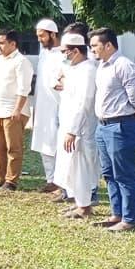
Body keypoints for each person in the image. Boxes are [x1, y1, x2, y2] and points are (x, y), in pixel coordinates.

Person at [89, 28, 135, 232]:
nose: (92, 49)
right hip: (103, 126)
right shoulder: (102, 66)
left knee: (124, 174)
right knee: (109, 173)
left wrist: (128, 112)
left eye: (95, 45)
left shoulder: (123, 65)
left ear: (109, 45)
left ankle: (129, 219)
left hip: (120, 125)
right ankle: (116, 214)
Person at [52, 33, 100, 219]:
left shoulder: (88, 70)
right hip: (68, 126)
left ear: (76, 51)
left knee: (81, 167)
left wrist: (73, 130)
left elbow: (83, 103)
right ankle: (80, 203)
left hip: (80, 130)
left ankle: (85, 206)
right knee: (71, 168)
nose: (63, 55)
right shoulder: (74, 69)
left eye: (65, 51)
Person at [0, 30, 34, 191]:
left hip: (13, 110)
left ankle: (11, 181)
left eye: (2, 43)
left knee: (13, 147)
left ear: (13, 44)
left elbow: (24, 88)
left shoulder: (21, 61)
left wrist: (17, 109)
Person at [32, 19, 62, 194]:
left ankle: (61, 182)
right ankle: (50, 180)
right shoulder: (43, 53)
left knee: (57, 145)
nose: (40, 39)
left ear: (53, 34)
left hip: (58, 106)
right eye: (38, 36)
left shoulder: (64, 54)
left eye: (42, 36)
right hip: (42, 106)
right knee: (44, 144)